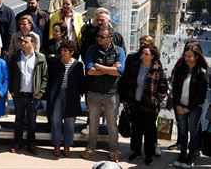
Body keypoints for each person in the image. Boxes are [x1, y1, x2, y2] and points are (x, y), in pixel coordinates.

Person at [80, 25, 126, 163]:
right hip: (93, 92)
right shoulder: (91, 50)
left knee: (112, 124)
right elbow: (89, 70)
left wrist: (99, 67)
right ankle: (91, 147)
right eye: (98, 36)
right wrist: (110, 68)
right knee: (93, 122)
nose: (99, 38)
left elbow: (120, 71)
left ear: (110, 38)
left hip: (111, 93)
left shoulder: (119, 51)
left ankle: (114, 150)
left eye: (102, 37)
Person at [119, 44, 167, 166]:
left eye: (146, 53)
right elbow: (127, 82)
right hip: (135, 103)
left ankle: (149, 154)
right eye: (142, 53)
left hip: (149, 107)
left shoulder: (157, 69)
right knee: (136, 129)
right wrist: (125, 99)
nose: (143, 55)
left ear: (152, 56)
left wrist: (156, 100)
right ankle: (136, 152)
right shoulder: (135, 66)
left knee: (149, 131)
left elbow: (163, 88)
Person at [8, 33, 48, 155]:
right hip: (19, 95)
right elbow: (10, 74)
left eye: (25, 42)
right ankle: (17, 142)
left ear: (33, 44)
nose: (22, 44)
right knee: (18, 120)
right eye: (22, 42)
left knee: (32, 120)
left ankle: (32, 144)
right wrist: (12, 90)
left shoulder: (40, 58)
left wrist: (41, 91)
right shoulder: (16, 57)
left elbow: (45, 77)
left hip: (33, 95)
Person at [171, 43, 208, 169]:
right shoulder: (180, 68)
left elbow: (200, 96)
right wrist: (178, 105)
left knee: (193, 132)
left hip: (194, 108)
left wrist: (189, 108)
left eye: (190, 56)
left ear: (196, 57)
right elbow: (174, 89)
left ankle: (190, 158)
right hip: (180, 106)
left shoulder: (201, 72)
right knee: (182, 132)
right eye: (185, 55)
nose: (187, 58)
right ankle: (181, 156)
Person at [47, 40, 85, 158]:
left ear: (71, 52)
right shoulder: (56, 63)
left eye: (65, 51)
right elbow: (50, 79)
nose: (62, 53)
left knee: (69, 123)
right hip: (57, 95)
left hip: (71, 96)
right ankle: (57, 145)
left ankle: (67, 145)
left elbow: (81, 81)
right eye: (62, 50)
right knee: (56, 120)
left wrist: (79, 93)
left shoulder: (78, 65)